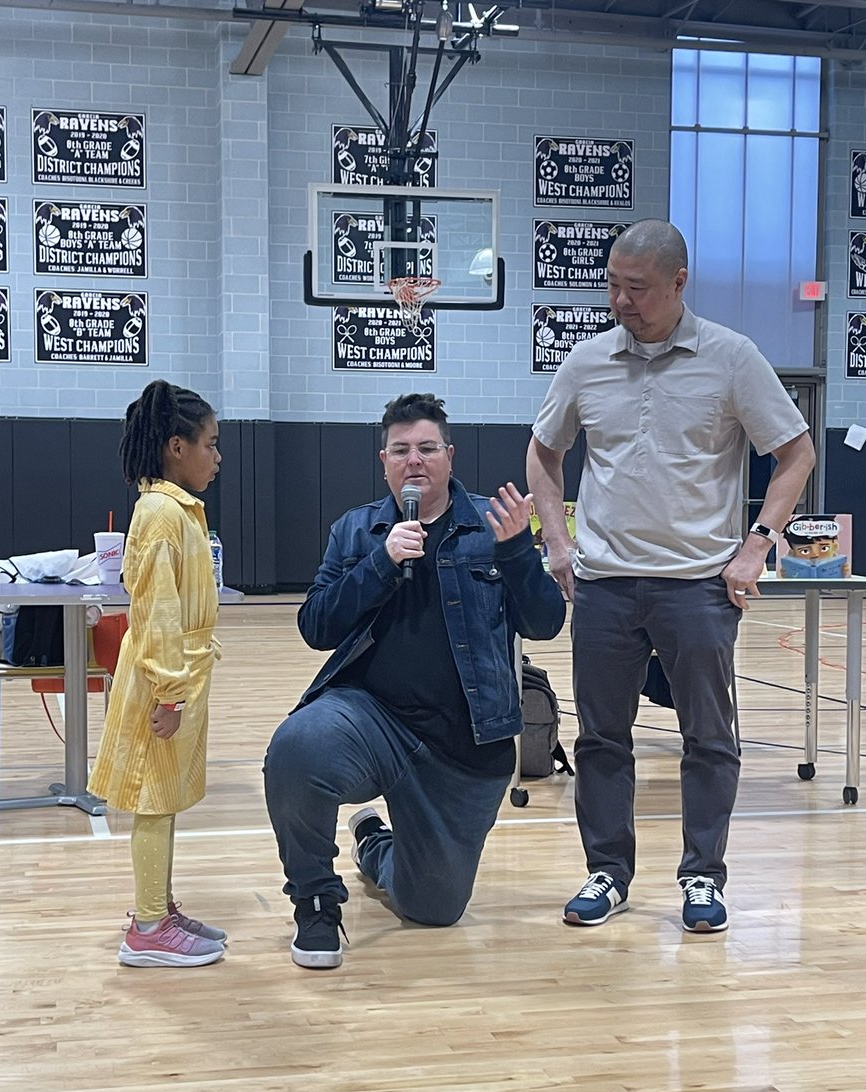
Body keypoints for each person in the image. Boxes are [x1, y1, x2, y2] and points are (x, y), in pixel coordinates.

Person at [526, 219, 816, 935]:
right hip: (604, 585)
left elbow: (797, 453)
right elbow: (542, 453)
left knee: (710, 739)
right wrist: (557, 542)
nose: (620, 300)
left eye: (637, 288)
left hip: (697, 586)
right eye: (613, 285)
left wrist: (758, 545)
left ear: (678, 284)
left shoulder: (732, 358)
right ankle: (607, 872)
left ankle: (702, 878)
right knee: (600, 737)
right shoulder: (586, 362)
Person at [264, 393, 566, 969]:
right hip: (371, 720)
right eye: (401, 450)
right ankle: (316, 903)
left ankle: (375, 842)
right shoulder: (357, 530)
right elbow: (316, 626)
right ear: (384, 461)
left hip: (464, 746)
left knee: (435, 908)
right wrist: (380, 561)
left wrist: (519, 554)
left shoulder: (492, 526)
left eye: (427, 448)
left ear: (449, 455)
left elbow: (546, 623)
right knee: (296, 749)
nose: (415, 461)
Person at [88, 379, 227, 967]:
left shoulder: (176, 510)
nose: (217, 457)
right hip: (160, 680)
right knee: (152, 799)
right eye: (210, 444)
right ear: (176, 446)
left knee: (164, 797)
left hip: (181, 675)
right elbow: (158, 614)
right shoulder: (158, 514)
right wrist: (169, 692)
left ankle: (159, 908)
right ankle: (146, 929)